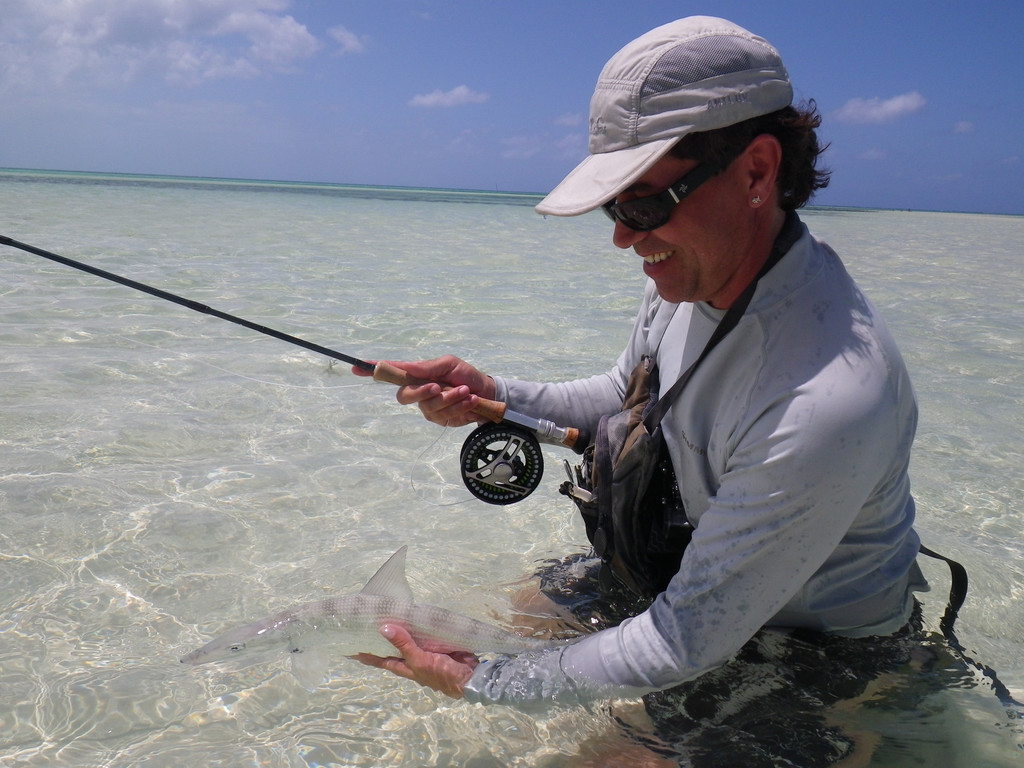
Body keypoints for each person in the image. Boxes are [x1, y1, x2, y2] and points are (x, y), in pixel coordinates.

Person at [353, 15, 930, 758]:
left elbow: (681, 642)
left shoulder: (825, 399)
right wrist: (491, 389)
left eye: (644, 203)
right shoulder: (688, 275)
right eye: (613, 203)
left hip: (815, 662)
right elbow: (622, 396)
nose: (623, 236)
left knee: (595, 755)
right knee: (505, 618)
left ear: (757, 172)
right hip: (688, 578)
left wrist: (484, 683)